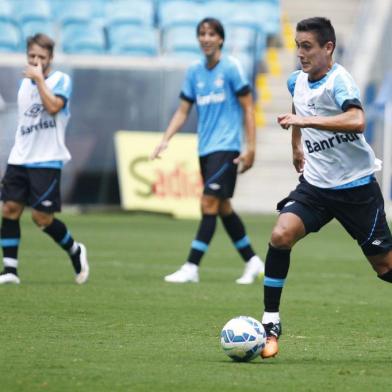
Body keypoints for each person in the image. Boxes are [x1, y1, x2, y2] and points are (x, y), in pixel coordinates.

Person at [260, 17, 392, 359]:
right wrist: (295, 145)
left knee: (385, 267)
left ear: (328, 48)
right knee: (280, 235)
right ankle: (270, 322)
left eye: (307, 47)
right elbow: (296, 107)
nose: (300, 54)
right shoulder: (296, 81)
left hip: (356, 189)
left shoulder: (340, 81)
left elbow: (356, 119)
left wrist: (303, 122)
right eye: (298, 46)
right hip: (316, 188)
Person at [151, 18, 264, 284]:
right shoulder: (194, 72)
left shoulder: (232, 68)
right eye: (201, 33)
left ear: (221, 39)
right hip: (205, 149)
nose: (205, 38)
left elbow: (248, 108)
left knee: (208, 202)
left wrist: (251, 148)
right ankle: (252, 260)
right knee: (223, 207)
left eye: (211, 33)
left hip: (227, 147)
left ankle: (192, 266)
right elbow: (183, 110)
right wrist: (166, 139)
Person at [0, 33, 89, 285]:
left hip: (47, 159)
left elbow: (53, 107)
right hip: (20, 157)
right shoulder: (22, 85)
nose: (36, 61)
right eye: (32, 56)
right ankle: (10, 270)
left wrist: (39, 80)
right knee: (9, 209)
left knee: (41, 218)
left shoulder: (61, 80)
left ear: (50, 57)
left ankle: (75, 249)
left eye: (41, 56)